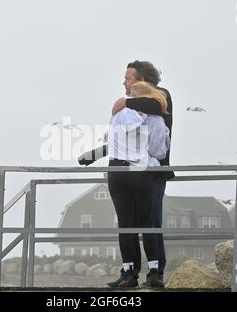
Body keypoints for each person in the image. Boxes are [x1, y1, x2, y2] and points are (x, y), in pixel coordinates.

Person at [78, 61, 174, 285]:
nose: (124, 82)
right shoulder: (132, 108)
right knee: (139, 223)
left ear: (141, 80)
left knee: (147, 222)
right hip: (141, 169)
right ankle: (136, 272)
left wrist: (124, 103)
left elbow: (153, 109)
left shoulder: (160, 97)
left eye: (128, 78)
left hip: (148, 173)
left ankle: (152, 273)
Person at [107, 81, 170, 288]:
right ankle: (153, 272)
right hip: (139, 174)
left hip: (116, 173)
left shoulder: (118, 115)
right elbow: (159, 151)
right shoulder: (154, 119)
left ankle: (128, 274)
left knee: (125, 225)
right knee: (147, 223)